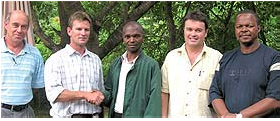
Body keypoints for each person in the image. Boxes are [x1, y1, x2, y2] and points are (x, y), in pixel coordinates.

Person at [209, 9, 280, 118]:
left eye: (249, 26)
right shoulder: (226, 58)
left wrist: (239, 117)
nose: (244, 30)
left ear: (258, 28)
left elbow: (275, 99)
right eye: (239, 27)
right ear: (235, 30)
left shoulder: (274, 58)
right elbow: (214, 92)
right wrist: (226, 116)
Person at [161, 10, 222, 118]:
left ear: (206, 32)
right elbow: (165, 92)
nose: (193, 34)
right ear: (184, 30)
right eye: (189, 29)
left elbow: (223, 95)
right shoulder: (171, 57)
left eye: (198, 30)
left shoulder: (217, 58)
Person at [44, 11, 105, 118]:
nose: (83, 33)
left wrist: (99, 96)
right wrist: (85, 94)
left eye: (86, 30)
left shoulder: (95, 60)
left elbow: (100, 92)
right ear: (69, 31)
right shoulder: (56, 60)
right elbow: (54, 94)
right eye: (79, 29)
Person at [102, 21, 161, 118]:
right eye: (127, 37)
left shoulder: (151, 66)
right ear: (123, 39)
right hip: (115, 115)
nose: (132, 40)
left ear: (143, 38)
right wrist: (99, 94)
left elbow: (154, 101)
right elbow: (109, 92)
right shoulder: (116, 64)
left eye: (136, 36)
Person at [1, 10, 45, 118]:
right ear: (6, 25)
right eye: (15, 25)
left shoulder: (35, 54)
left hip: (26, 113)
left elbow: (36, 86)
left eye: (24, 26)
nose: (19, 30)